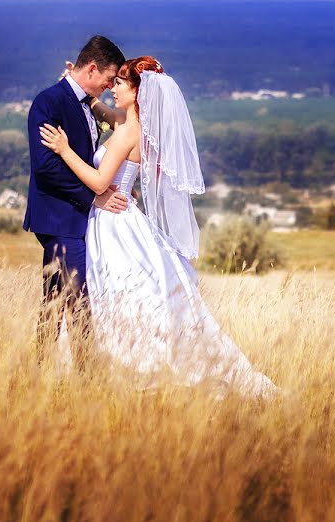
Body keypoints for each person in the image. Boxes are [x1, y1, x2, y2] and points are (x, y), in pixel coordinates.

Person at [39, 56, 276, 397]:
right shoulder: (131, 124)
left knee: (115, 296)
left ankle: (120, 374)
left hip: (112, 221)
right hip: (121, 218)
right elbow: (106, 113)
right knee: (121, 296)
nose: (112, 88)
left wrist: (63, 150)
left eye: (119, 83)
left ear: (137, 91)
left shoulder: (127, 134)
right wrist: (82, 89)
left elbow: (97, 180)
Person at [24, 35, 128, 371]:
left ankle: (39, 370)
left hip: (76, 218)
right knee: (80, 300)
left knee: (54, 298)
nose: (110, 87)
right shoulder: (49, 102)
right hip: (58, 217)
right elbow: (46, 167)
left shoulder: (86, 103)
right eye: (110, 79)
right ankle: (88, 377)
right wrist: (95, 195)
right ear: (93, 69)